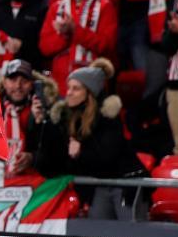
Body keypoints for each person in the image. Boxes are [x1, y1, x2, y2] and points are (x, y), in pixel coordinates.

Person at [36, 59, 145, 219]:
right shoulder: (65, 117)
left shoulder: (107, 117)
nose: (69, 93)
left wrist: (80, 152)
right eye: (69, 88)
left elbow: (107, 157)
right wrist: (42, 123)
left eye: (76, 89)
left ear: (90, 94)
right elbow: (50, 162)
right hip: (97, 186)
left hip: (126, 184)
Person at [39, 0, 117, 84]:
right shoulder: (57, 7)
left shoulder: (105, 6)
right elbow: (45, 47)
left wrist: (76, 31)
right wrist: (64, 35)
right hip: (61, 79)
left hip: (91, 79)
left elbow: (106, 45)